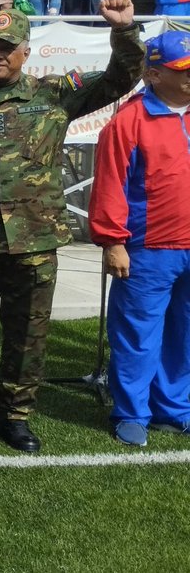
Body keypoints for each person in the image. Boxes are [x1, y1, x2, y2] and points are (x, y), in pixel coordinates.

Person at [0, 4, 144, 453]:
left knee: (28, 332)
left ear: (25, 52)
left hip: (35, 241)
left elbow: (121, 77)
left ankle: (15, 415)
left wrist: (126, 30)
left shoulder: (55, 95)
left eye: (6, 48)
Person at [89, 30, 190, 448]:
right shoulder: (128, 121)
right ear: (153, 73)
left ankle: (175, 408)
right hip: (149, 249)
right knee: (137, 333)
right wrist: (113, 241)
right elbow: (110, 184)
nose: (189, 77)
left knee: (185, 331)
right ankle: (131, 412)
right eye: (181, 70)